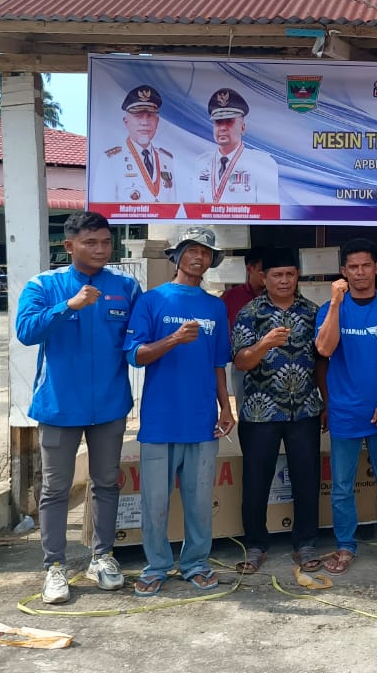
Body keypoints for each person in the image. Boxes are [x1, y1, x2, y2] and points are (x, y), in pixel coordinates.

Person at [14, 211, 142, 604]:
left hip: (109, 404)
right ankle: (54, 565)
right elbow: (25, 331)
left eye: (106, 242)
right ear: (69, 245)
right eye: (91, 242)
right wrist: (68, 305)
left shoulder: (126, 286)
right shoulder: (44, 285)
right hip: (58, 406)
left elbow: (137, 342)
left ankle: (101, 556)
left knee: (106, 482)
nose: (101, 249)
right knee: (55, 488)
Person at [124, 226, 236, 596]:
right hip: (160, 420)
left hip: (202, 420)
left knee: (200, 502)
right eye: (192, 249)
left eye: (206, 252)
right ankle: (156, 566)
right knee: (154, 501)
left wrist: (225, 407)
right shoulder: (152, 301)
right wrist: (172, 339)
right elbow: (136, 355)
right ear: (176, 256)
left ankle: (195, 564)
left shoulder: (215, 306)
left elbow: (220, 362)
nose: (199, 257)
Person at [315, 238, 377, 577]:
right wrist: (334, 303)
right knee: (341, 486)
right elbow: (325, 350)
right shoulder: (331, 308)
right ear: (343, 271)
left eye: (365, 266)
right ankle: (345, 545)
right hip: (344, 411)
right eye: (352, 267)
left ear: (376, 268)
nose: (359, 272)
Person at [230, 248, 325, 575]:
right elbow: (241, 361)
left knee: (307, 477)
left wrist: (325, 402)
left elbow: (322, 361)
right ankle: (255, 544)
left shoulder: (312, 312)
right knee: (256, 479)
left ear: (297, 276)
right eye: (276, 275)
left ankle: (306, 542)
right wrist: (264, 344)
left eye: (289, 274)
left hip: (305, 411)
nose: (284, 280)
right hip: (260, 412)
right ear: (264, 278)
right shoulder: (250, 313)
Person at [193, 87, 281, 204]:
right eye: (218, 122)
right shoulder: (201, 162)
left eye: (229, 121)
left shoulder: (262, 164)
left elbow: (270, 214)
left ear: (243, 128)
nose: (223, 128)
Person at [103, 84, 178, 203]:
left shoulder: (166, 159)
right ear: (126, 122)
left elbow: (173, 203)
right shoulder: (111, 160)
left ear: (157, 122)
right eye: (138, 116)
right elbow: (104, 206)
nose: (145, 123)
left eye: (150, 116)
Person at [222, 247, 266, 400]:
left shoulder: (279, 297)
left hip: (275, 364)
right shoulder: (231, 297)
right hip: (243, 365)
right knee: (245, 413)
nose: (267, 275)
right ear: (250, 268)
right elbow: (220, 328)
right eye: (262, 270)